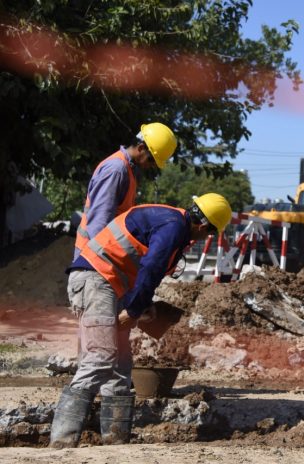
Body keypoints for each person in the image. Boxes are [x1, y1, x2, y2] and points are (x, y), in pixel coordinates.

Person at [50, 193, 232, 448]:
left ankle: (115, 440)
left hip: (110, 284)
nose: (206, 239)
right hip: (94, 280)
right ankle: (62, 441)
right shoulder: (173, 228)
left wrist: (141, 305)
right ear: (203, 227)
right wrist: (133, 311)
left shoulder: (172, 221)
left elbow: (139, 265)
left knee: (121, 363)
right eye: (209, 233)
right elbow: (152, 267)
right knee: (101, 355)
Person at [73, 122, 177, 261]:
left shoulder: (128, 170)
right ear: (141, 148)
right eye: (152, 160)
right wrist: (102, 260)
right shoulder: (116, 170)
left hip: (98, 254)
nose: (151, 166)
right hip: (92, 256)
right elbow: (100, 220)